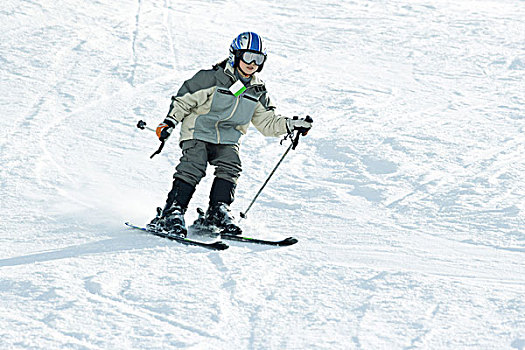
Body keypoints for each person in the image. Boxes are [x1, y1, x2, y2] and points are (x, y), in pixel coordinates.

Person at [148, 32, 312, 237]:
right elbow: (184, 100)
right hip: (198, 131)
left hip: (228, 138)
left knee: (231, 164)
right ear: (235, 55)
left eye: (258, 59)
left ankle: (217, 211)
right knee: (193, 166)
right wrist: (169, 122)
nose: (252, 63)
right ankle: (172, 212)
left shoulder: (257, 91)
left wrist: (291, 125)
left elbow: (267, 123)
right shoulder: (211, 78)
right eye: (248, 57)